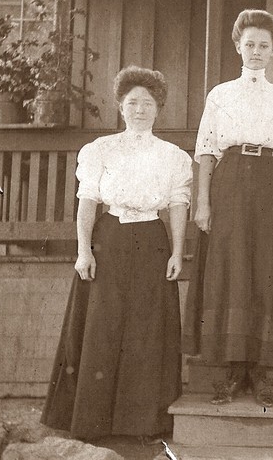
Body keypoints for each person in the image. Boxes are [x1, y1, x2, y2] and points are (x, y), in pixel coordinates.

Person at [42, 66, 192, 441]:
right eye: (132, 103)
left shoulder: (173, 156)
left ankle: (142, 424)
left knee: (147, 330)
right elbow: (87, 202)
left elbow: (177, 205)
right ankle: (91, 422)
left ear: (158, 108)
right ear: (121, 108)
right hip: (108, 239)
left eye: (147, 103)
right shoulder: (100, 150)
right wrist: (83, 251)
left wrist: (177, 252)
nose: (140, 109)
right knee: (101, 328)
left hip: (152, 242)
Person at [184, 9, 273, 408]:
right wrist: (203, 201)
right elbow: (205, 151)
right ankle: (235, 369)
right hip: (230, 181)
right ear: (238, 47)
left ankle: (262, 370)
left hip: (270, 184)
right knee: (233, 268)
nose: (256, 51)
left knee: (266, 269)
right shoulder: (220, 94)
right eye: (249, 44)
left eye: (264, 46)